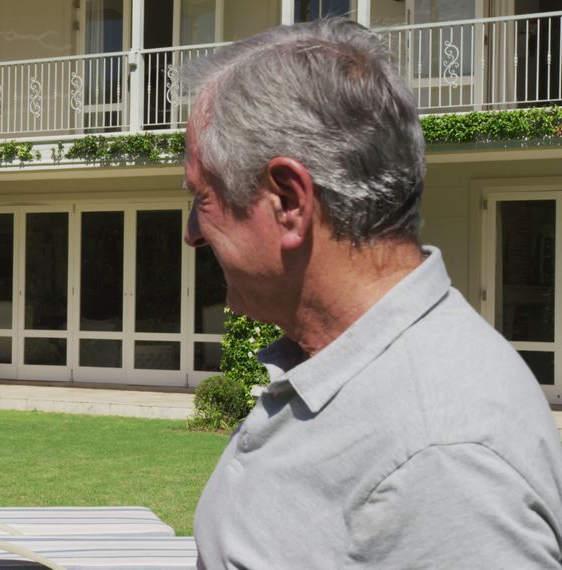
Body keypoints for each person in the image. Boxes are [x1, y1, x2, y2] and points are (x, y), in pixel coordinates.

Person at [184, 19, 562, 568]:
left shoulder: (441, 458)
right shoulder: (335, 364)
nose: (192, 231)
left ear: (288, 201)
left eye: (202, 196)